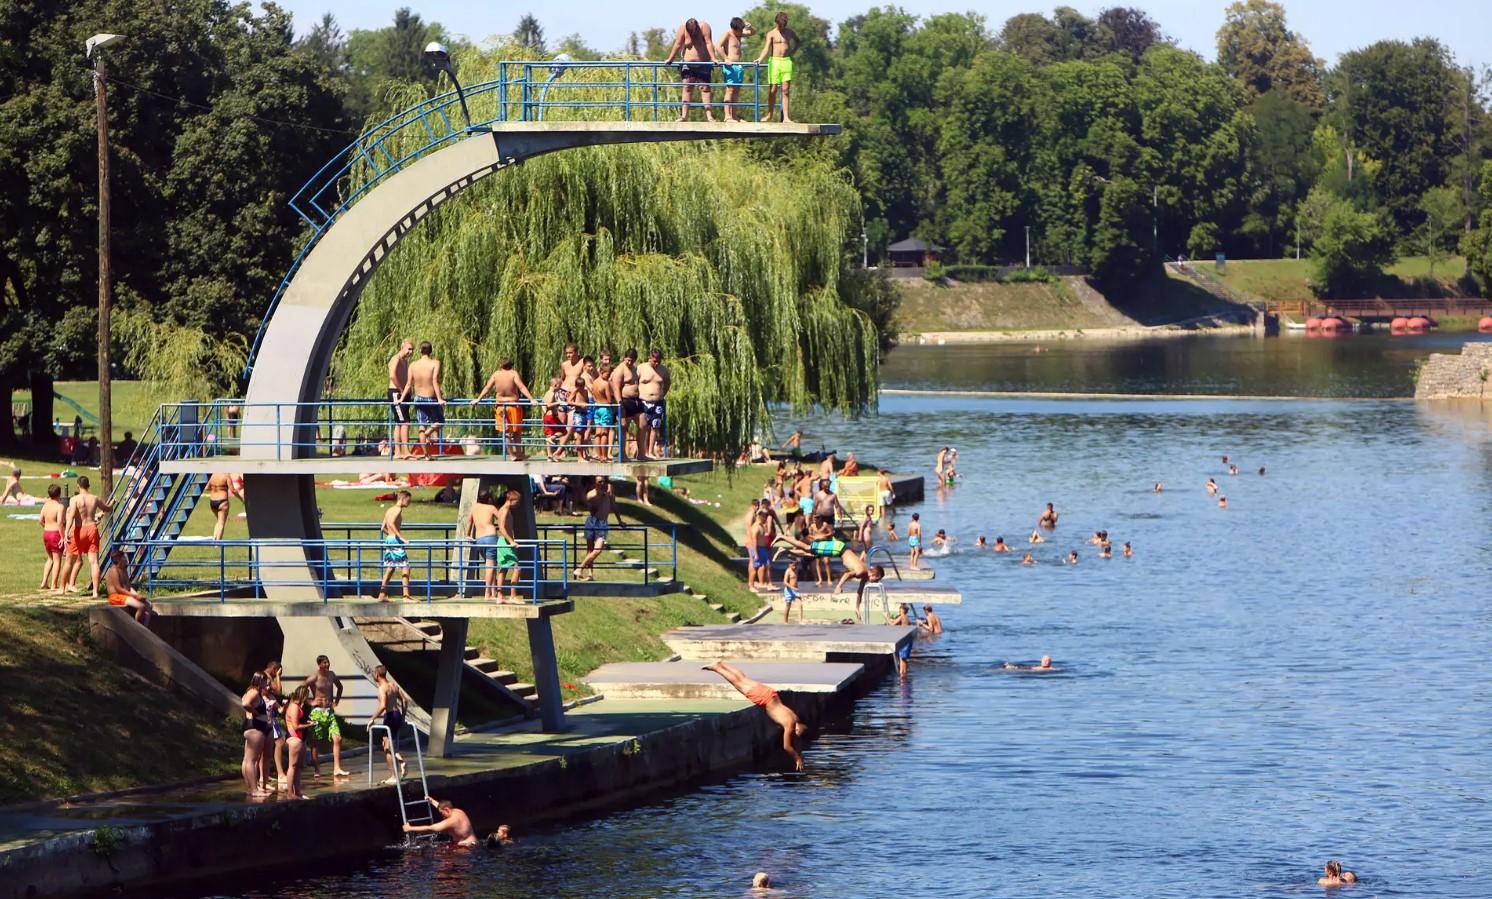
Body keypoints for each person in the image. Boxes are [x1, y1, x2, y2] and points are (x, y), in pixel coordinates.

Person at [702, 661, 807, 770]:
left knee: (743, 679)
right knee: (737, 683)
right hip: (763, 698)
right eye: (796, 733)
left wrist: (800, 753)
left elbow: (797, 740)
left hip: (770, 693)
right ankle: (717, 668)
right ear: (797, 729)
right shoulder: (789, 725)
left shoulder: (795, 718)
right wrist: (796, 758)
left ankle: (721, 664)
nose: (794, 734)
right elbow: (787, 747)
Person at [472, 358, 535, 460]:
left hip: (500, 406)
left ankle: (512, 455)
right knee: (517, 432)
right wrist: (531, 399)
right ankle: (518, 453)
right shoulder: (513, 374)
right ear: (511, 365)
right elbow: (522, 387)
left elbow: (487, 387)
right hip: (513, 405)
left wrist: (478, 399)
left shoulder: (496, 374)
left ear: (501, 366)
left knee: (506, 432)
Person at [301, 655, 350, 778]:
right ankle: (317, 768)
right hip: (317, 712)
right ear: (319, 664)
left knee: (338, 738)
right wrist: (310, 702)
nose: (327, 665)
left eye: (328, 662)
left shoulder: (331, 675)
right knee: (315, 742)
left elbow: (340, 687)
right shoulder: (314, 676)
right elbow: (301, 688)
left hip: (329, 712)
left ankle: (337, 768)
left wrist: (336, 701)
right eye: (324, 663)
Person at [63, 476, 111, 597]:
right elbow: (107, 508)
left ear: (78, 486)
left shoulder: (74, 499)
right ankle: (95, 592)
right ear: (88, 485)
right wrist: (113, 503)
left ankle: (62, 588)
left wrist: (66, 532)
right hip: (92, 528)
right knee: (94, 562)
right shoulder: (94, 498)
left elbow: (71, 517)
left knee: (69, 561)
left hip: (78, 530)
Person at [662, 18, 716, 122]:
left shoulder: (704, 27)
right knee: (687, 88)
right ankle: (684, 116)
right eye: (690, 31)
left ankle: (709, 116)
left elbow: (709, 43)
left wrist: (713, 58)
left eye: (694, 31)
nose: (692, 33)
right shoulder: (682, 29)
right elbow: (678, 44)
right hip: (688, 64)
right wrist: (670, 59)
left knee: (705, 89)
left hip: (703, 63)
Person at [754, 11, 798, 122]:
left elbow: (798, 42)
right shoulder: (771, 33)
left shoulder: (789, 32)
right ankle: (770, 114)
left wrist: (792, 52)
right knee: (773, 89)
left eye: (783, 25)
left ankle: (786, 117)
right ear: (776, 23)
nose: (781, 27)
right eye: (779, 25)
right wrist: (760, 58)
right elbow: (766, 48)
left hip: (786, 62)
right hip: (774, 62)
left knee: (786, 90)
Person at [578, 478, 624, 582]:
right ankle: (590, 574)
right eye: (599, 482)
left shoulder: (609, 491)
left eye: (604, 481)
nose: (602, 484)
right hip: (592, 522)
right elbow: (592, 508)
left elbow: (614, 505)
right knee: (590, 550)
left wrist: (619, 520)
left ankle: (580, 568)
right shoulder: (592, 494)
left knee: (597, 550)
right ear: (595, 483)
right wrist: (599, 495)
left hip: (602, 523)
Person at [370, 665, 408, 785]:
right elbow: (405, 700)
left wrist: (372, 719)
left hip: (390, 716)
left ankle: (394, 775)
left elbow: (383, 706)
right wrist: (403, 716)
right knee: (387, 743)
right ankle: (400, 762)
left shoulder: (382, 688)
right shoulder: (393, 685)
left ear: (376, 675)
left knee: (387, 748)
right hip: (397, 715)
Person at [715, 17, 755, 122]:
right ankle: (727, 116)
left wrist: (750, 27)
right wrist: (725, 58)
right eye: (740, 29)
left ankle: (734, 116)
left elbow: (752, 33)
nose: (741, 32)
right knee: (730, 90)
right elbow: (718, 46)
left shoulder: (739, 34)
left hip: (739, 66)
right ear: (734, 28)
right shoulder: (727, 34)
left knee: (736, 91)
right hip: (730, 66)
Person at [407, 341, 445, 450]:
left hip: (418, 398)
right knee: (440, 421)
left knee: (422, 426)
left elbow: (409, 384)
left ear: (420, 351)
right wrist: (440, 398)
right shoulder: (435, 363)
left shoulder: (413, 365)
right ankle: (428, 432)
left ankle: (426, 454)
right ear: (431, 351)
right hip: (431, 398)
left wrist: (400, 399)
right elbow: (434, 381)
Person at [241, 672, 273, 799]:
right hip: (255, 727)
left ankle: (250, 787)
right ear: (260, 681)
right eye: (266, 681)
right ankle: (254, 789)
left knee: (248, 759)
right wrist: (255, 713)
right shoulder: (253, 692)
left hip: (257, 726)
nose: (267, 684)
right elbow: (245, 704)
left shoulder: (254, 692)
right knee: (251, 760)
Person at [467, 488, 503, 600]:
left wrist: (467, 535)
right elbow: (502, 518)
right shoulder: (491, 507)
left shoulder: (474, 508)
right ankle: (487, 593)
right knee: (490, 567)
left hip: (479, 539)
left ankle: (493, 592)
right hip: (490, 537)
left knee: (490, 565)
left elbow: (469, 522)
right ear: (489, 498)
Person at [376, 490, 412, 602]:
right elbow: (391, 523)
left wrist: (390, 535)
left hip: (389, 540)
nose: (409, 503)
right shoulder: (397, 509)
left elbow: (383, 528)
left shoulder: (389, 510)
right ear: (403, 498)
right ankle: (406, 596)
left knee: (390, 567)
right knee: (406, 566)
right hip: (395, 541)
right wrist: (400, 538)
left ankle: (382, 595)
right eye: (408, 500)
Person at [405, 795, 479, 846]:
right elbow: (441, 807)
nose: (442, 815)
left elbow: (430, 828)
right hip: (474, 843)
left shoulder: (451, 821)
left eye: (441, 813)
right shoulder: (458, 811)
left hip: (466, 847)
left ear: (447, 810)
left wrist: (410, 828)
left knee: (443, 862)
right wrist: (431, 800)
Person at [103, 549, 153, 624]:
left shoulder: (124, 569)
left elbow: (128, 587)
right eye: (124, 557)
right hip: (115, 596)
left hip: (124, 595)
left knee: (148, 605)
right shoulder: (113, 570)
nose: (126, 559)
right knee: (141, 606)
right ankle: (137, 627)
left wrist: (137, 595)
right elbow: (118, 589)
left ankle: (145, 628)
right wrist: (134, 596)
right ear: (119, 559)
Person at [637, 349, 670, 460]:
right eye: (654, 361)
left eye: (658, 361)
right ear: (649, 358)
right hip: (643, 401)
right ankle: (642, 452)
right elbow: (634, 382)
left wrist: (661, 394)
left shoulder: (663, 370)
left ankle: (650, 451)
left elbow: (667, 383)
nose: (656, 363)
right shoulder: (641, 368)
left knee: (654, 426)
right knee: (643, 427)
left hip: (657, 402)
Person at [611, 349, 643, 458]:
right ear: (624, 358)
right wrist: (620, 405)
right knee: (624, 427)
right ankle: (622, 454)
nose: (629, 362)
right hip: (624, 400)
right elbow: (616, 388)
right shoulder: (620, 370)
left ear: (635, 360)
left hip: (636, 400)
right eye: (628, 360)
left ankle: (641, 453)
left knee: (643, 424)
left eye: (631, 360)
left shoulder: (634, 368)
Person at [493, 488, 523, 603]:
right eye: (517, 501)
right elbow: (501, 528)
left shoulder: (505, 510)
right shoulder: (504, 510)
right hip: (505, 542)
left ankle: (500, 596)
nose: (518, 504)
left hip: (504, 541)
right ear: (510, 499)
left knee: (504, 569)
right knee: (517, 568)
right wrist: (511, 541)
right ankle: (513, 595)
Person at [262, 660, 287, 792]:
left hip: (270, 715)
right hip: (267, 716)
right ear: (274, 669)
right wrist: (277, 676)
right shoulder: (266, 676)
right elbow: (278, 690)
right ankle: (280, 773)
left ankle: (264, 775)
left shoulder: (265, 677)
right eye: (278, 671)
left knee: (268, 747)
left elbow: (275, 694)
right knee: (279, 743)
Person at [283, 684, 312, 799]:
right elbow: (295, 726)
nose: (307, 698)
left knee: (298, 766)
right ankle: (290, 793)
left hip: (300, 738)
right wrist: (310, 725)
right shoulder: (294, 706)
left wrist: (308, 722)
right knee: (292, 766)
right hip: (294, 737)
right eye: (306, 696)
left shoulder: (298, 706)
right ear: (302, 695)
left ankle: (297, 792)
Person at [388, 339, 414, 458]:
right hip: (396, 393)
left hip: (404, 393)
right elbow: (392, 375)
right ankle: (405, 451)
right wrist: (400, 389)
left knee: (399, 422)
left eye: (412, 349)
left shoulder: (404, 362)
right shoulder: (396, 359)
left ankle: (398, 452)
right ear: (402, 347)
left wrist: (408, 391)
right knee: (404, 422)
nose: (411, 352)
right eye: (409, 349)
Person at [589, 361, 618, 461]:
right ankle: (604, 456)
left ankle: (599, 455)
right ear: (601, 372)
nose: (609, 376)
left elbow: (593, 395)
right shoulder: (605, 384)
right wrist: (613, 399)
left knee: (598, 433)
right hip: (605, 408)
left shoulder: (594, 382)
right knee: (604, 433)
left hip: (597, 408)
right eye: (608, 374)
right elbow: (609, 400)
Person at [205, 471, 244, 541]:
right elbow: (233, 490)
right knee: (221, 524)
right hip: (222, 502)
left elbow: (207, 488)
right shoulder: (226, 476)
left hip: (212, 501)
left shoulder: (213, 476)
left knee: (218, 521)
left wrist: (216, 488)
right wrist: (241, 498)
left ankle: (214, 540)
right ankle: (217, 544)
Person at [40, 484, 65, 593]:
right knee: (57, 560)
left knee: (50, 558)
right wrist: (63, 537)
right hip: (55, 534)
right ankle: (54, 584)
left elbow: (40, 520)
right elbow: (60, 523)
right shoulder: (60, 506)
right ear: (59, 494)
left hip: (46, 533)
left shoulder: (45, 505)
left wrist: (46, 526)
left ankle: (44, 582)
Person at [781, 557, 803, 623]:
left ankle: (800, 621)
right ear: (789, 565)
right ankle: (785, 621)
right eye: (793, 565)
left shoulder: (796, 569)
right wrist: (792, 587)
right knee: (788, 606)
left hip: (795, 591)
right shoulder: (788, 571)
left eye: (796, 565)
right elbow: (785, 582)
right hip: (789, 590)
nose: (794, 567)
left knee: (800, 604)